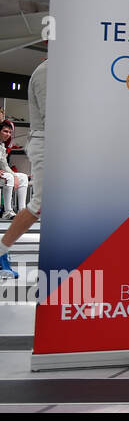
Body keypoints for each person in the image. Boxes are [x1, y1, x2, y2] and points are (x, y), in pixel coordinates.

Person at [0, 62, 44, 279]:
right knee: (40, 203)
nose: (8, 133)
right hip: (47, 142)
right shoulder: (47, 71)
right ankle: (1, 251)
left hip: (53, 142)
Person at [0, 120, 28, 223]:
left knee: (23, 177)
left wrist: (15, 176)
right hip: (2, 174)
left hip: (1, 172)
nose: (8, 134)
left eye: (10, 132)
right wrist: (13, 176)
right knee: (10, 177)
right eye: (5, 131)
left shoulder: (2, 145)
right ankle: (7, 212)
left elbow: (4, 165)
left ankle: (22, 211)